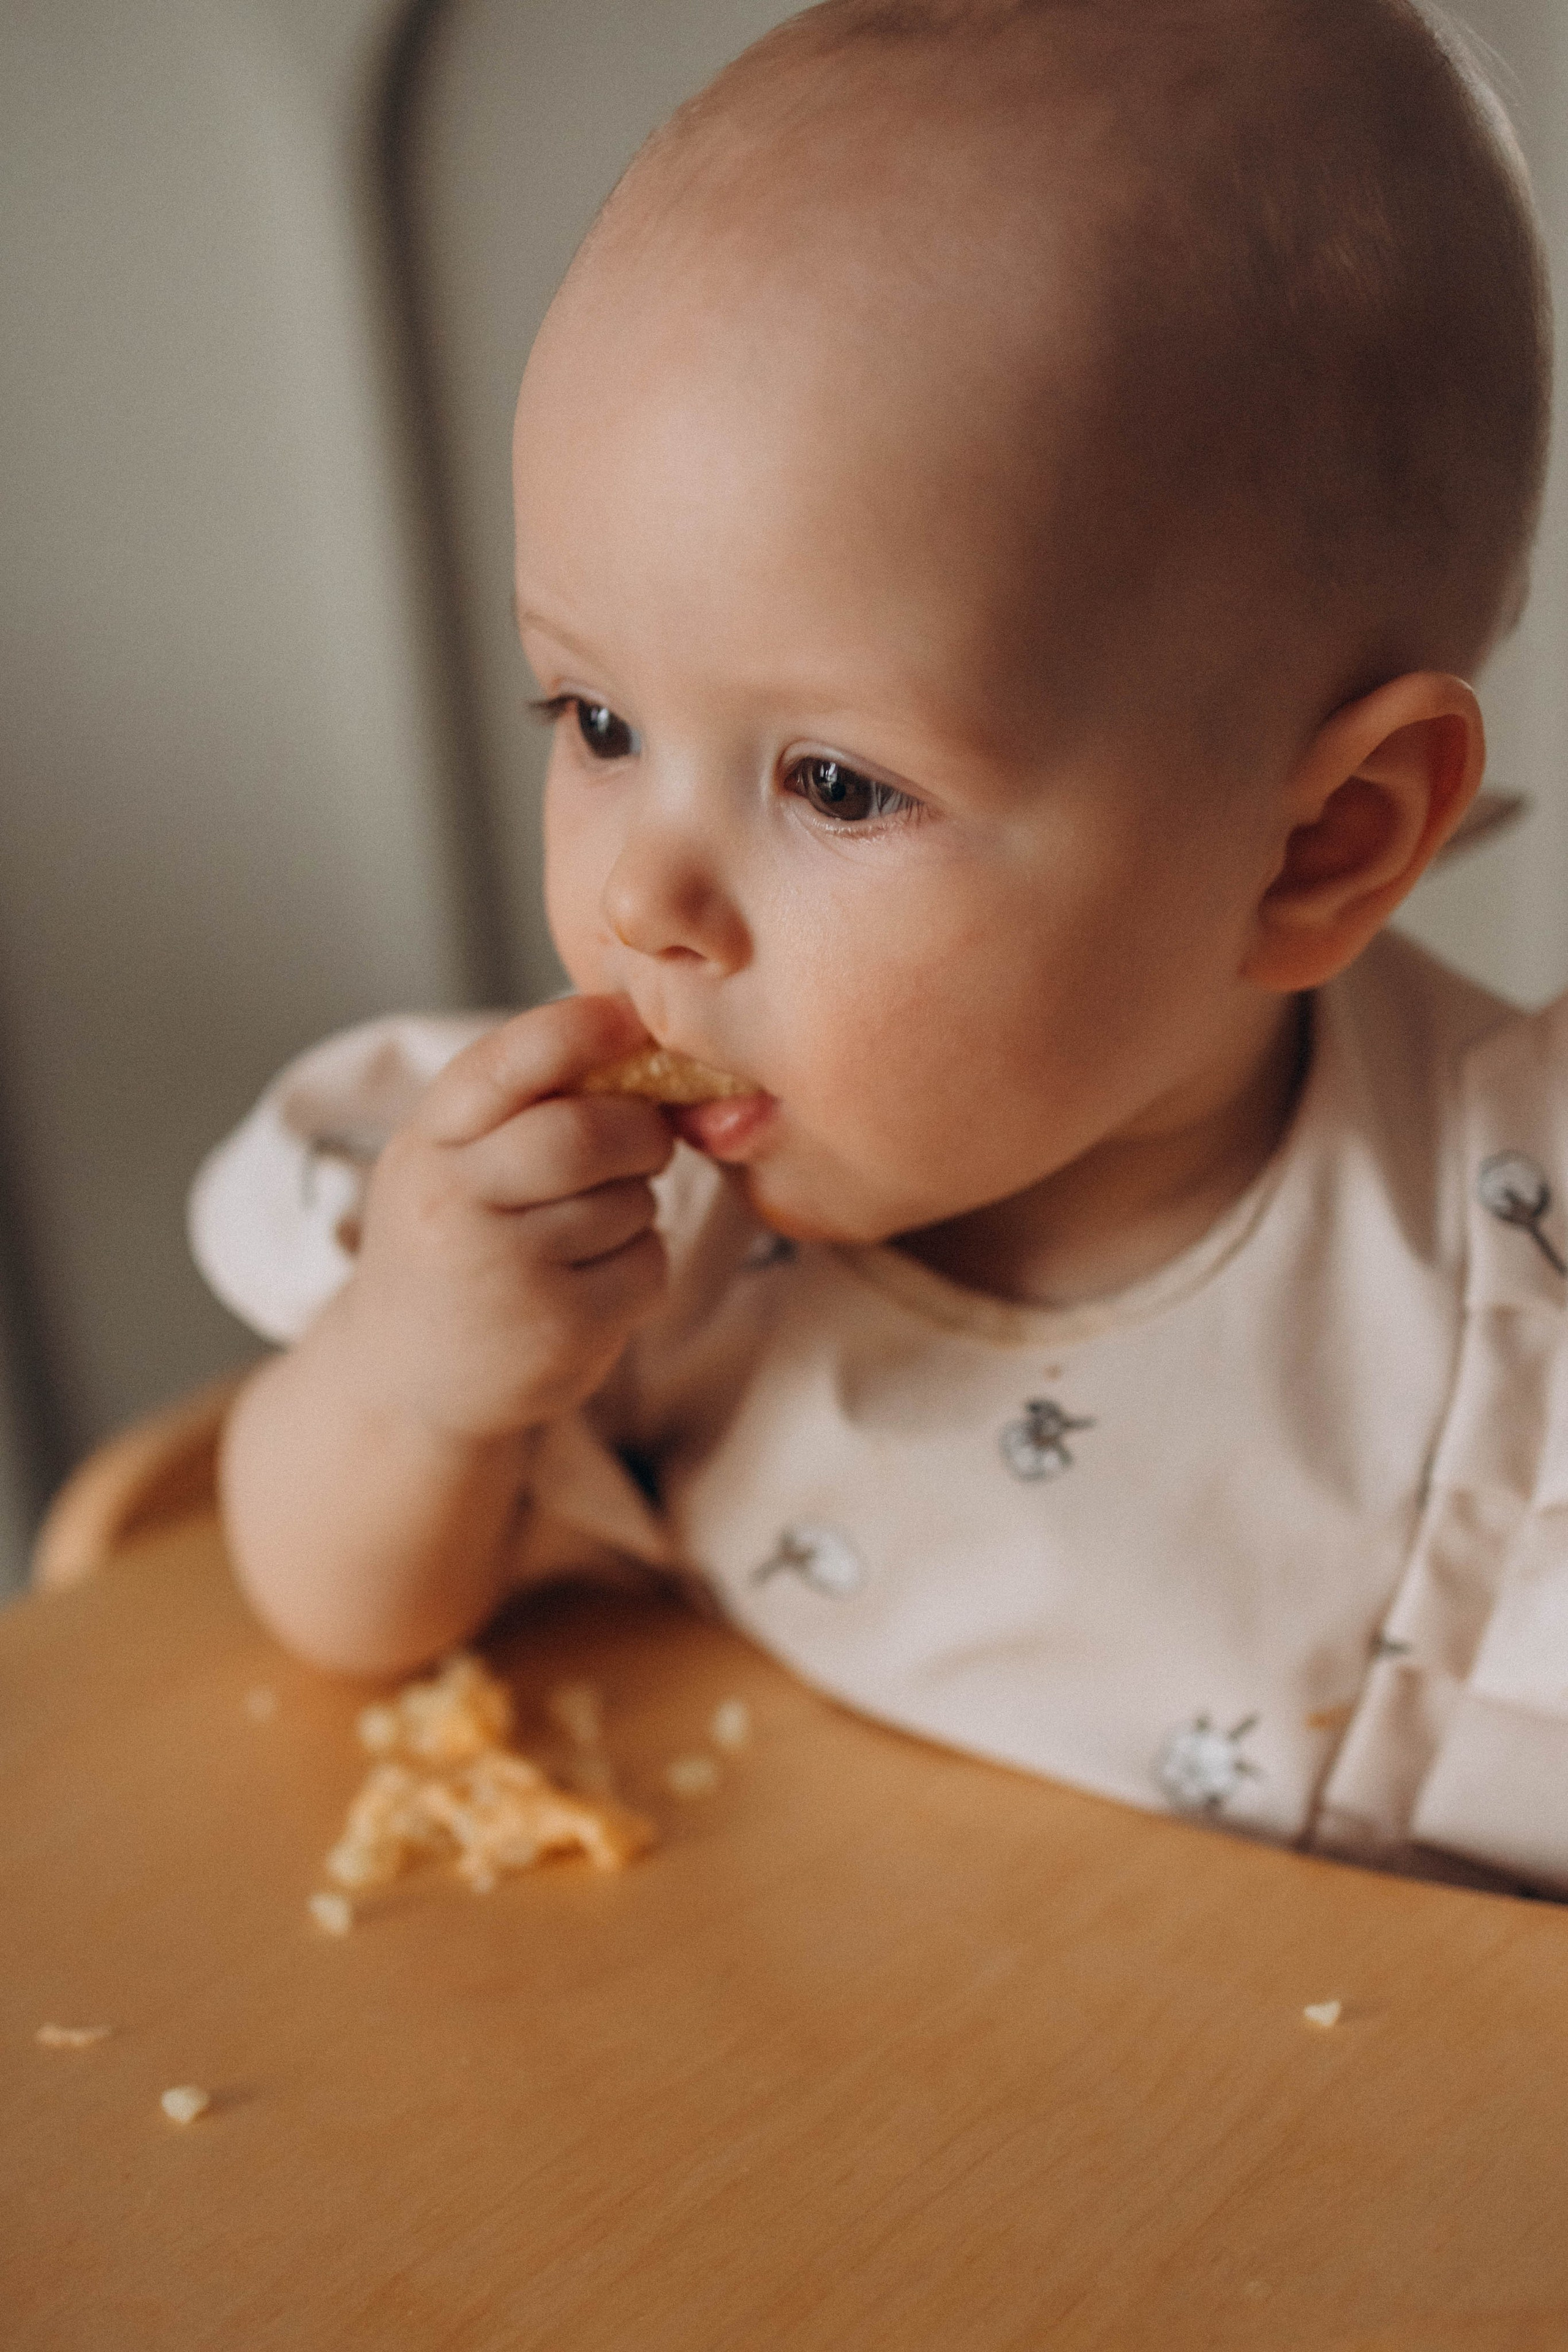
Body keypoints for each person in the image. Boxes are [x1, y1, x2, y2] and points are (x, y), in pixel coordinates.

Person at [192, 0, 1568, 1893]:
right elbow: (343, 1616)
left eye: (836, 784)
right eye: (595, 723)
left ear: (1319, 841)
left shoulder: (1520, 1295)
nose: (643, 903)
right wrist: (421, 1379)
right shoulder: (606, 1227)